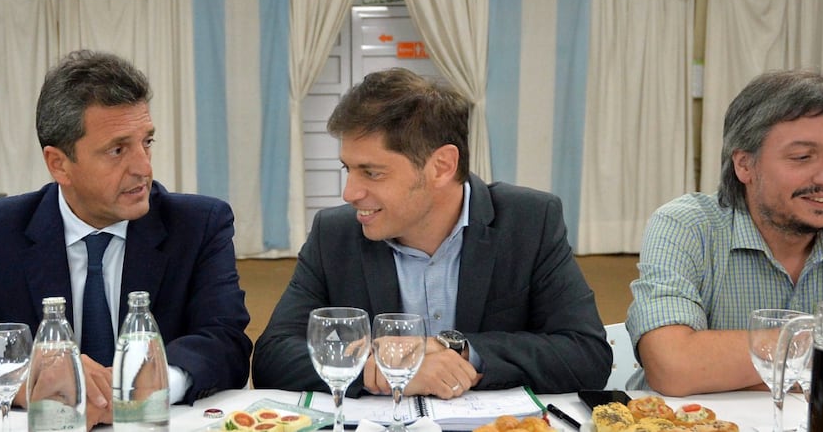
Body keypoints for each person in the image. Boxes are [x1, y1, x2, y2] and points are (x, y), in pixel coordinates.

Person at [0, 50, 252, 428]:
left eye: (147, 142)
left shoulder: (198, 225)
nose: (144, 167)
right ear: (59, 164)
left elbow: (226, 341)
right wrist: (28, 384)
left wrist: (147, 384)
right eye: (117, 150)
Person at [252, 67, 611, 397]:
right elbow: (272, 358)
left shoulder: (529, 221)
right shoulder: (335, 234)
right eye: (348, 169)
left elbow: (586, 355)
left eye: (372, 172)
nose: (349, 193)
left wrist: (458, 349)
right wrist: (382, 368)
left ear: (441, 166)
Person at [626, 69, 823, 396]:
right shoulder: (686, 226)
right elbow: (674, 366)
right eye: (802, 157)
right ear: (745, 165)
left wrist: (746, 373)